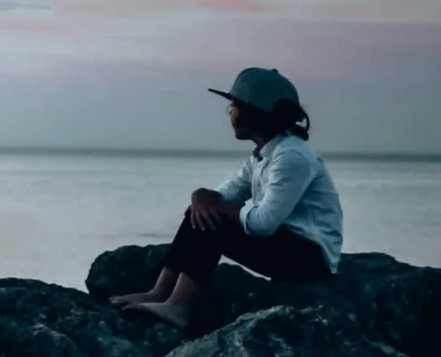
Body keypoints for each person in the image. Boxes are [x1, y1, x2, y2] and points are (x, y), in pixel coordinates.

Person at [112, 68, 343, 329]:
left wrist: (218, 206)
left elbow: (264, 222)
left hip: (308, 258)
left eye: (234, 107)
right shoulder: (262, 155)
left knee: (215, 220)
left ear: (254, 112)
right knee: (199, 213)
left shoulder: (291, 157)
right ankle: (160, 292)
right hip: (284, 244)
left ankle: (179, 306)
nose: (230, 113)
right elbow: (222, 195)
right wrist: (200, 196)